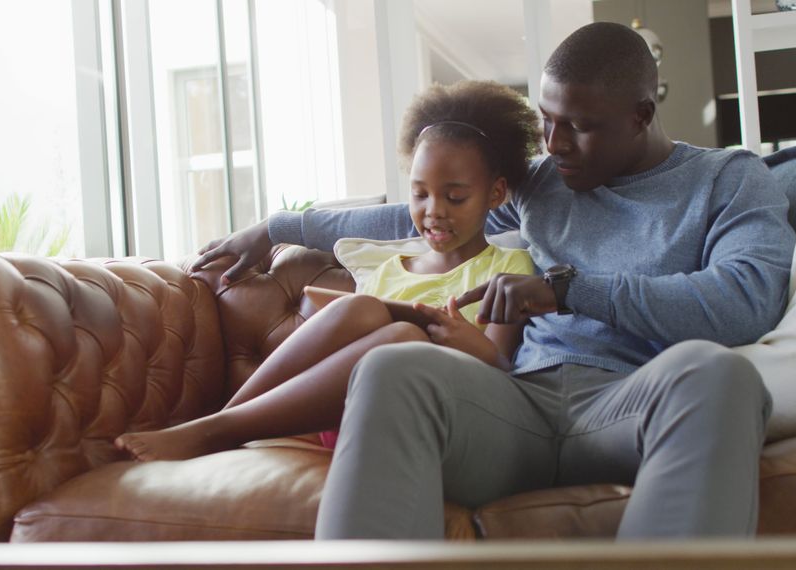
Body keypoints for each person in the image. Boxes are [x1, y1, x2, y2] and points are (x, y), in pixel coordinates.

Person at [190, 22, 796, 539]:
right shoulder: (543, 182)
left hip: (631, 402)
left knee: (721, 376)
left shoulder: (727, 179)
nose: (554, 145)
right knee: (391, 366)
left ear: (641, 115)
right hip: (517, 406)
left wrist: (566, 288)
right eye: (547, 119)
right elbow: (416, 215)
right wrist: (277, 227)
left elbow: (746, 300)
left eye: (579, 126)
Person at [115, 80, 539, 462]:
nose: (434, 211)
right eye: (420, 194)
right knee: (363, 311)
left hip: (443, 414)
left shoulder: (508, 268)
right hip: (352, 412)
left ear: (495, 193)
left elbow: (503, 369)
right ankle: (220, 424)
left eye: (455, 197)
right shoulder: (390, 269)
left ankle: (220, 430)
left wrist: (468, 343)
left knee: (404, 336)